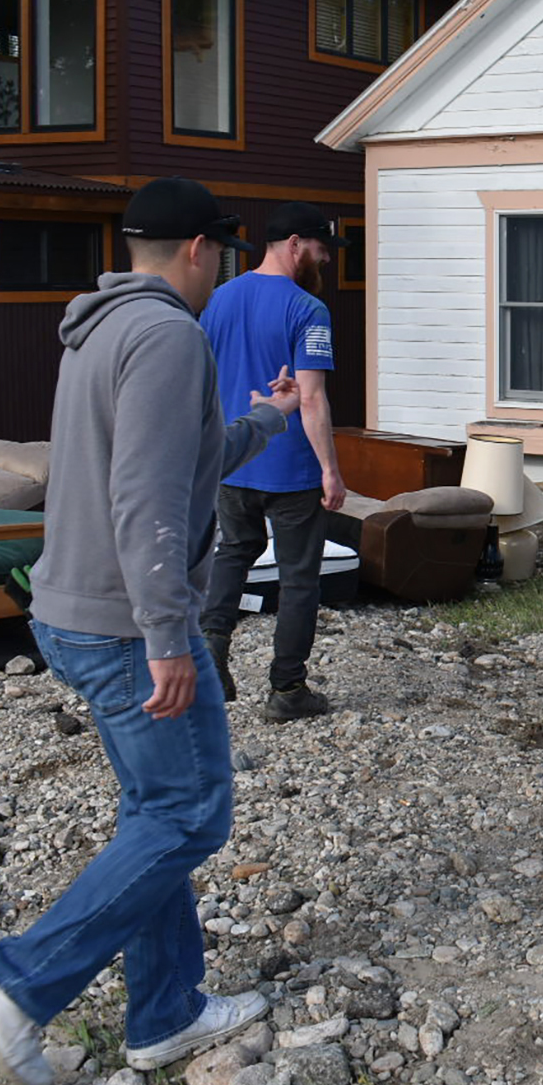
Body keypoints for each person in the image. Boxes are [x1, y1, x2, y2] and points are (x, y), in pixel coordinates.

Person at [0, 176, 300, 1085]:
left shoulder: (101, 327)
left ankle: (167, 1011)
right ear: (195, 250)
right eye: (218, 250)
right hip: (121, 624)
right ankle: (15, 983)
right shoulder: (167, 335)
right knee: (190, 813)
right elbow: (144, 500)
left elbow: (177, 462)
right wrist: (169, 636)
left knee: (156, 813)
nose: (219, 265)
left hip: (73, 610)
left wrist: (266, 414)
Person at [198, 202, 350, 722]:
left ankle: (211, 657)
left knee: (232, 553)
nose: (325, 260)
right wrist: (330, 468)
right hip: (290, 467)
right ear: (294, 245)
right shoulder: (309, 310)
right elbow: (310, 398)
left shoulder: (217, 298)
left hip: (231, 455)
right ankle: (287, 690)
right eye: (321, 249)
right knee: (299, 578)